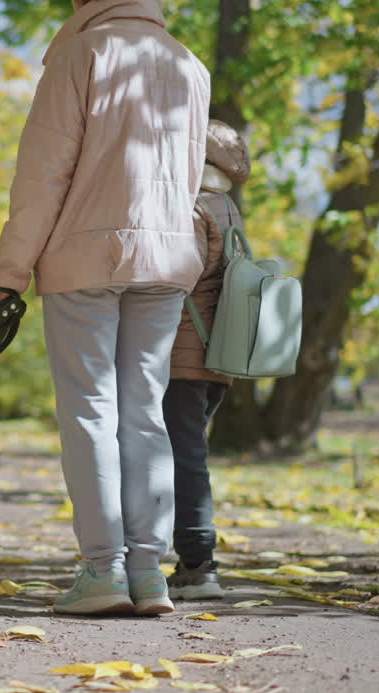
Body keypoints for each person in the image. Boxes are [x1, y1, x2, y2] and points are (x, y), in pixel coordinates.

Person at [0, 0, 210, 615]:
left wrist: (10, 273)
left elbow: (42, 176)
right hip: (166, 259)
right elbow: (192, 176)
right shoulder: (190, 64)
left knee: (91, 410)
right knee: (145, 412)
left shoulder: (80, 52)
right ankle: (149, 575)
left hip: (85, 256)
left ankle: (103, 571)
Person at [164, 120, 250, 600]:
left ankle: (199, 565)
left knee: (185, 459)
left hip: (183, 353)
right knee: (188, 454)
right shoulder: (227, 206)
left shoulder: (193, 207)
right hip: (217, 354)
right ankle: (189, 562)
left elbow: (179, 275)